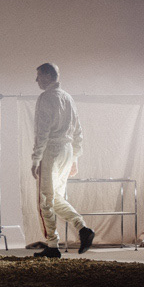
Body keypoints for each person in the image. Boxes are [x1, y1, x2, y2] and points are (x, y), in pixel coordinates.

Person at [30, 62, 94, 258]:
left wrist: (36, 159)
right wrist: (74, 157)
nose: (36, 80)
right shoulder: (68, 98)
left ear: (49, 76)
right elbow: (78, 130)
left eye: (39, 75)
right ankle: (82, 228)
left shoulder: (46, 98)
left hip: (51, 151)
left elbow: (42, 132)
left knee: (45, 200)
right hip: (66, 151)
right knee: (56, 197)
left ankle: (52, 245)